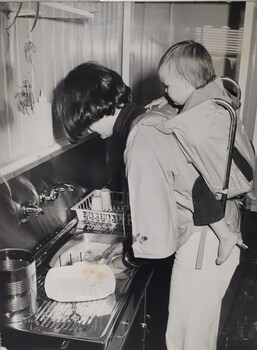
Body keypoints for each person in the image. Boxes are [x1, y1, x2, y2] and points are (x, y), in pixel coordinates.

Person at [53, 49, 255, 350]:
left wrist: (121, 260)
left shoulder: (141, 139)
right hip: (219, 227)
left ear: (92, 110)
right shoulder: (154, 114)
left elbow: (157, 239)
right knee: (198, 336)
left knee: (186, 342)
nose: (88, 133)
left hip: (205, 242)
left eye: (84, 125)